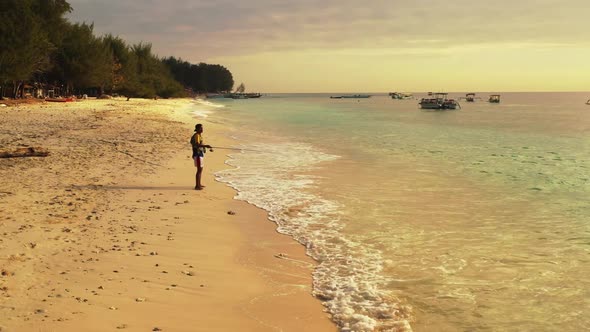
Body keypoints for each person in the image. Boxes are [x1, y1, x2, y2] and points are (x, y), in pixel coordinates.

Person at [190, 124, 211, 190]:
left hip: (199, 154)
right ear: (198, 129)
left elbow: (199, 144)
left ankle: (199, 184)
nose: (202, 129)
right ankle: (197, 186)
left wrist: (206, 146)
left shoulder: (198, 135)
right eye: (201, 128)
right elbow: (197, 145)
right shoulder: (196, 136)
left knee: (200, 170)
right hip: (198, 154)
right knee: (199, 170)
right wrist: (206, 146)